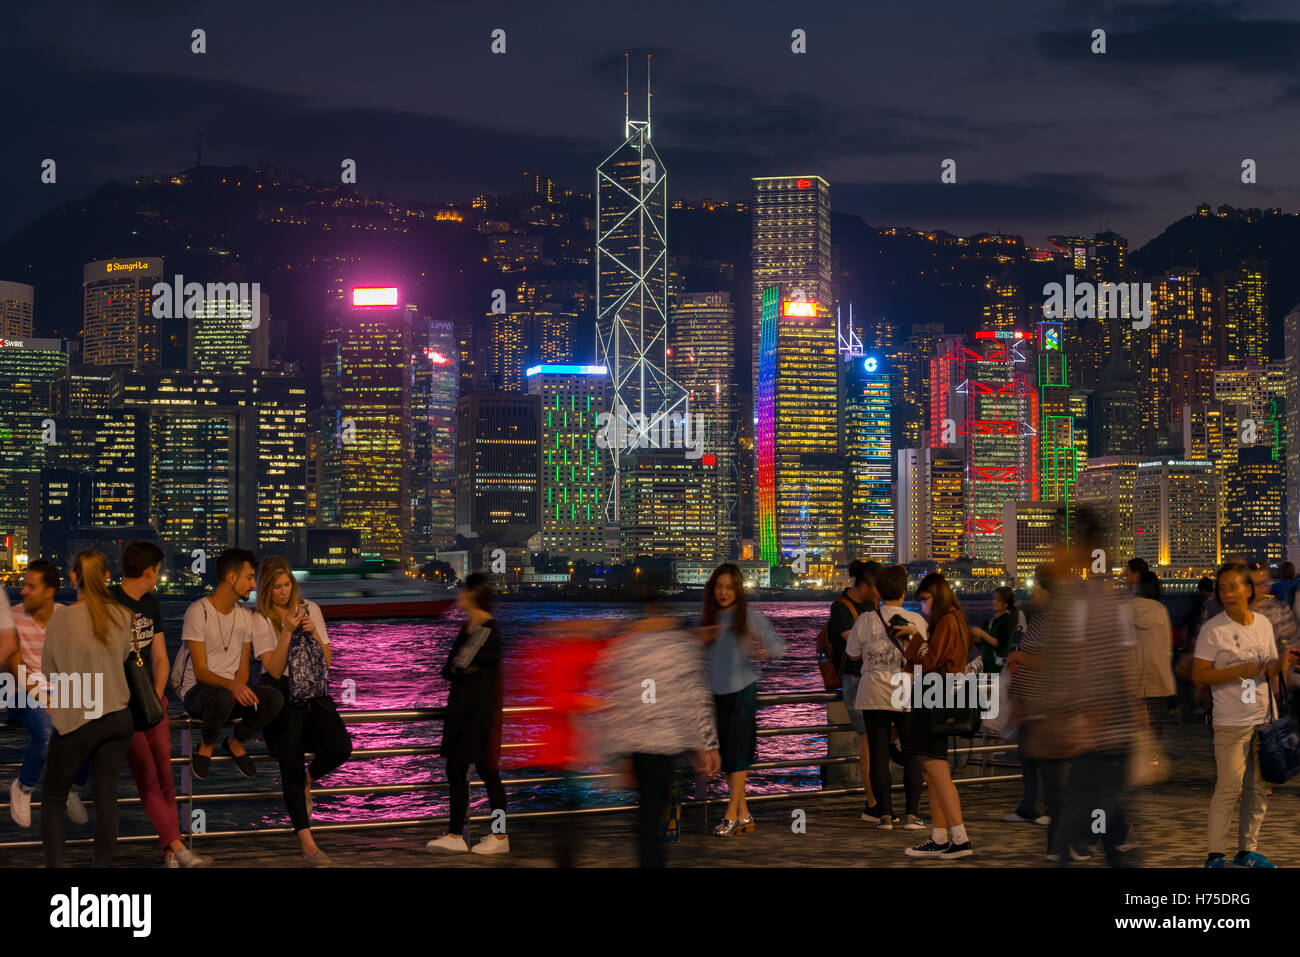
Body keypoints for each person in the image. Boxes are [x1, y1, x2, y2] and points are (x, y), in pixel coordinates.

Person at [1043, 508, 1141, 867]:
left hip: (1096, 732)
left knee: (1076, 818)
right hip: (1105, 733)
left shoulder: (1086, 604)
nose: (1053, 552)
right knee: (1105, 819)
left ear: (1080, 549)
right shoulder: (1101, 602)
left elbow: (1090, 666)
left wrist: (1079, 721)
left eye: (1059, 544)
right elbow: (1122, 667)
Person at [595, 608, 720, 867]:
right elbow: (696, 698)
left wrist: (617, 751)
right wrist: (706, 745)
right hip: (666, 742)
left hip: (638, 742)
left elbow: (618, 697)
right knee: (657, 806)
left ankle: (650, 857)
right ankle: (654, 858)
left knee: (648, 811)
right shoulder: (679, 647)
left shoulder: (627, 646)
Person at [112, 542, 210, 868]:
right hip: (123, 707)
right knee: (148, 780)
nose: (160, 574)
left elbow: (160, 656)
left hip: (153, 703)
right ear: (150, 570)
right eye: (158, 569)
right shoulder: (109, 602)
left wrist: (156, 693)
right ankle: (179, 848)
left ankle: (169, 853)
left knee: (166, 779)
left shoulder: (151, 604)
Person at [253, 556, 353, 866]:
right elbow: (272, 669)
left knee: (341, 747)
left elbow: (327, 659)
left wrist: (312, 633)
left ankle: (309, 779)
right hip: (282, 695)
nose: (283, 592)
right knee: (291, 768)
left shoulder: (311, 608)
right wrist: (286, 631)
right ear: (266, 590)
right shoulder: (260, 619)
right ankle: (308, 845)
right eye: (276, 587)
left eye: (287, 585)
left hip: (313, 690)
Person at [40, 550, 136, 867]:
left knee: (54, 797)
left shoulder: (61, 618)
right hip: (117, 715)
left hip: (77, 718)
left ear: (73, 576)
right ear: (107, 576)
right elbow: (124, 659)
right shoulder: (123, 615)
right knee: (107, 799)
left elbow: (49, 671)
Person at [1196, 563, 1294, 868]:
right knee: (1228, 788)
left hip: (1263, 719)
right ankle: (1215, 855)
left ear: (1248, 590)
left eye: (1233, 587)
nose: (1227, 594)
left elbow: (1270, 669)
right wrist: (1237, 670)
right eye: (1222, 588)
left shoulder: (1263, 624)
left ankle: (1247, 850)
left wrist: (1283, 662)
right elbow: (1200, 674)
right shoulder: (1213, 630)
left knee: (1257, 789)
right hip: (1230, 722)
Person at [178, 548, 284, 779]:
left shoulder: (245, 615)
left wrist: (239, 687)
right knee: (222, 697)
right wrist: (233, 687)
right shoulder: (198, 611)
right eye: (249, 577)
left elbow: (243, 668)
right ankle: (206, 746)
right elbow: (201, 671)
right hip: (198, 693)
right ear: (231, 577)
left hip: (228, 692)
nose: (254, 585)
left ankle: (236, 741)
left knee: (273, 697)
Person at [699, 563, 786, 836]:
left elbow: (778, 647)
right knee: (728, 757)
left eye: (729, 587)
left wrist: (763, 652)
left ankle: (730, 816)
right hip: (717, 693)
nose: (723, 592)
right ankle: (744, 814)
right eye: (719, 586)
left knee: (737, 756)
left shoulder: (748, 616)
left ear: (738, 590)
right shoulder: (710, 617)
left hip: (741, 691)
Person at [427, 573, 509, 855]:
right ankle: (455, 834)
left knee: (487, 773)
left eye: (463, 590)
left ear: (473, 594)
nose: (459, 595)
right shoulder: (470, 628)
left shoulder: (487, 630)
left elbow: (458, 665)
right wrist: (460, 668)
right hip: (463, 712)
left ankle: (499, 836)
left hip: (479, 715)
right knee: (457, 771)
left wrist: (460, 668)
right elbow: (450, 668)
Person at [6, 560, 91, 829]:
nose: (23, 591)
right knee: (46, 734)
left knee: (97, 727)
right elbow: (15, 668)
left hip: (59, 691)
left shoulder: (65, 617)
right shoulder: (12, 618)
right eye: (24, 585)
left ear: (49, 592)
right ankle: (24, 786)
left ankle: (67, 784)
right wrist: (45, 700)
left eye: (31, 586)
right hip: (20, 692)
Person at [896, 572, 975, 860]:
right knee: (931, 771)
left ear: (937, 596)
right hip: (942, 694)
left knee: (937, 770)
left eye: (926, 600)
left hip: (933, 695)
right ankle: (940, 837)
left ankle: (960, 838)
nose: (923, 607)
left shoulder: (946, 621)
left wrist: (914, 637)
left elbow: (929, 660)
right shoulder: (958, 619)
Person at [845, 563, 925, 830]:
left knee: (878, 755)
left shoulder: (866, 619)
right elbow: (927, 653)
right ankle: (912, 815)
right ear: (904, 592)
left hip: (873, 692)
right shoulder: (916, 621)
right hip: (906, 693)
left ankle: (886, 816)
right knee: (912, 754)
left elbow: (852, 654)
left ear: (878, 591)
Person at [1003, 568, 1062, 839]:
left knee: (1042, 757)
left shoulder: (1050, 619)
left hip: (1040, 700)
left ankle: (1049, 808)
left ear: (1047, 593)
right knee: (1029, 755)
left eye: (1036, 588)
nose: (1031, 592)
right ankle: (1031, 806)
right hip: (1030, 699)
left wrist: (1017, 657)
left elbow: (1047, 658)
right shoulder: (1040, 618)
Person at [827, 560, 876, 811]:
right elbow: (856, 646)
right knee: (866, 737)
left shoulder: (871, 605)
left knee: (876, 737)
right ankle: (872, 799)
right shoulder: (841, 608)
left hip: (874, 677)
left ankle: (876, 797)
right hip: (854, 678)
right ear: (865, 586)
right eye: (877, 587)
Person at [1132, 570, 1176, 749]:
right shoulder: (1160, 610)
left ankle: (1137, 760)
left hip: (1132, 678)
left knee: (1134, 728)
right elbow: (1167, 646)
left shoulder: (1126, 609)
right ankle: (1153, 759)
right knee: (1155, 726)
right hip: (1157, 675)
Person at [970, 585, 1018, 676]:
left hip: (999, 669)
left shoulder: (1007, 620)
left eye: (998, 600)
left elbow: (999, 643)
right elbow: (983, 641)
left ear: (1006, 604)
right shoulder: (991, 620)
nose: (994, 602)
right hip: (987, 667)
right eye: (994, 599)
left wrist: (981, 633)